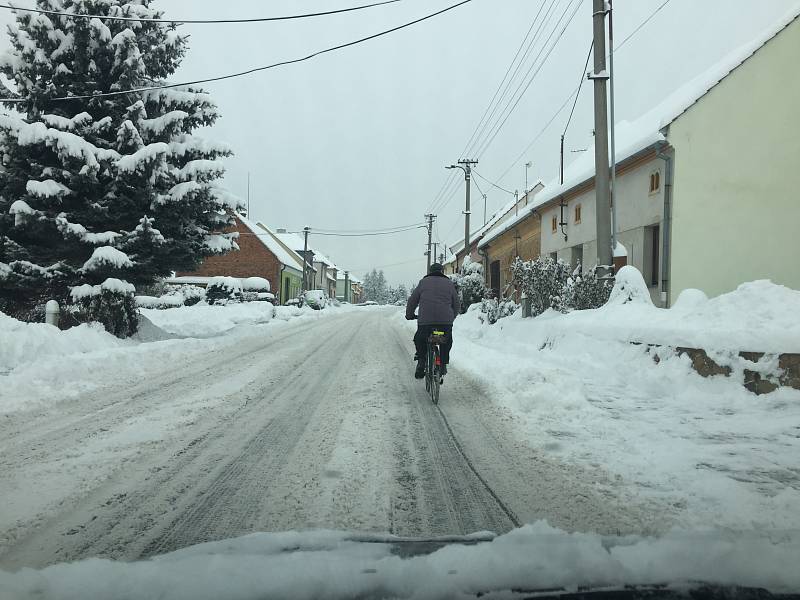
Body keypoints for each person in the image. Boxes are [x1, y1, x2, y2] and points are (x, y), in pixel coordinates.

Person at [405, 262, 460, 379]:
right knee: (446, 340)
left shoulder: (423, 282)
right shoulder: (449, 284)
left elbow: (412, 301)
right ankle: (443, 363)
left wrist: (409, 315)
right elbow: (456, 304)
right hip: (445, 323)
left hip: (426, 323)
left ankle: (421, 361)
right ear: (442, 272)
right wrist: (451, 317)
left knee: (420, 339)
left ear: (430, 272)